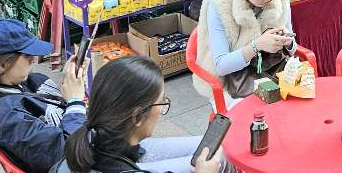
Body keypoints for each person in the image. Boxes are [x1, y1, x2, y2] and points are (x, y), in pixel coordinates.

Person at [51, 57, 222, 173]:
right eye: (162, 102)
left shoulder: (84, 142)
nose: (162, 110)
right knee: (219, 159)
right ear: (137, 117)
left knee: (213, 150)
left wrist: (74, 102)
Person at [0, 20, 87, 173]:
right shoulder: (5, 118)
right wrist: (75, 102)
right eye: (27, 54)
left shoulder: (17, 83)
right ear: (1, 65)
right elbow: (70, 154)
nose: (33, 58)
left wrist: (70, 80)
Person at [194, 0, 297, 108]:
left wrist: (287, 41)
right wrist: (257, 46)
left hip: (273, 72)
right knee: (259, 117)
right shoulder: (218, 4)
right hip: (233, 83)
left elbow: (293, 46)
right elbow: (221, 66)